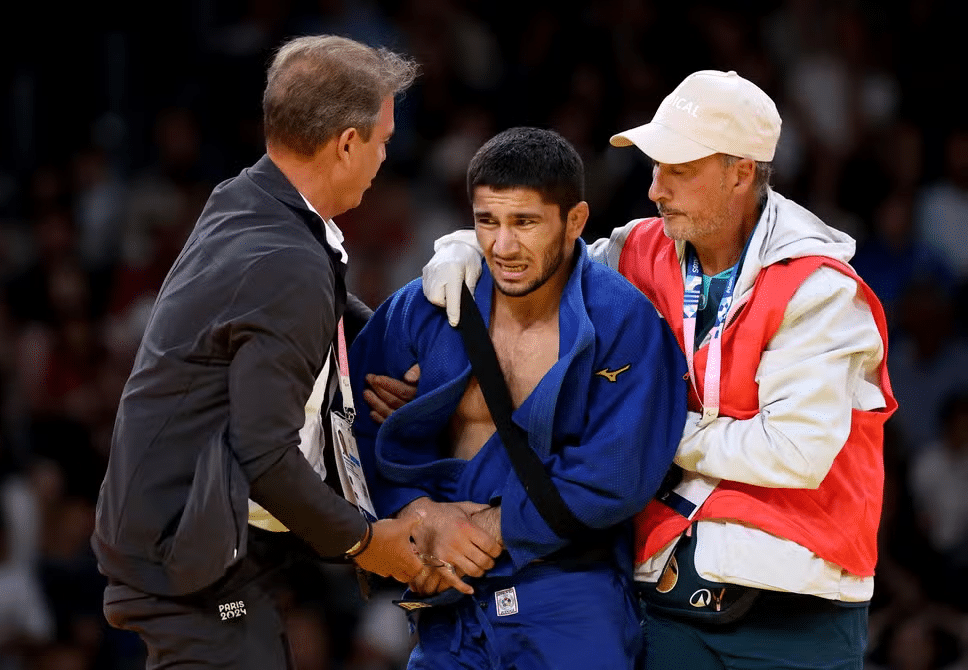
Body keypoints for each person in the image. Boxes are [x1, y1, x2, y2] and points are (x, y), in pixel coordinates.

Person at [414, 71, 897, 669]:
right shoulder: (639, 249)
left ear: (741, 173)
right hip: (665, 604)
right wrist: (461, 247)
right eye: (654, 167)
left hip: (793, 611)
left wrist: (637, 430)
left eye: (679, 170)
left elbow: (792, 451)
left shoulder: (820, 290)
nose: (655, 189)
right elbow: (538, 263)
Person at [92, 35, 429, 669]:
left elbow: (319, 304)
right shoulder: (287, 262)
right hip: (184, 563)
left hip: (189, 541)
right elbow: (264, 453)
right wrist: (366, 543)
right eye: (382, 140)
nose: (385, 157)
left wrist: (399, 343)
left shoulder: (251, 199)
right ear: (347, 144)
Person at [350, 127, 688, 670]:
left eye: (525, 222)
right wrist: (415, 514)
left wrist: (489, 527)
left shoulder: (622, 321)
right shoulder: (429, 305)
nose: (503, 246)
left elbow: (618, 472)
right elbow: (353, 431)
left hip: (568, 593)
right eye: (488, 222)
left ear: (574, 221)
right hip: (448, 593)